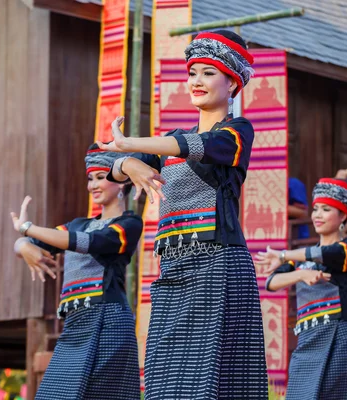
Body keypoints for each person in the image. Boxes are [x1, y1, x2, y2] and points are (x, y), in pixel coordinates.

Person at [100, 30, 268, 398]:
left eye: (209, 73)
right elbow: (103, 166)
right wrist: (129, 163)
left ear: (232, 83)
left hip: (217, 263)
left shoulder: (237, 131)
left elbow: (197, 146)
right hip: (173, 268)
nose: (196, 81)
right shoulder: (169, 142)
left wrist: (128, 147)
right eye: (193, 73)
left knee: (212, 380)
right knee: (163, 380)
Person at [11, 144, 142, 400]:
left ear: (122, 183)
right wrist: (23, 245)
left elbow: (88, 242)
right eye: (90, 179)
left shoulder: (128, 224)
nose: (93, 185)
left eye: (101, 177)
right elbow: (42, 242)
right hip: (75, 322)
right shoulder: (78, 224)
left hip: (109, 320)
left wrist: (27, 229)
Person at [257, 178, 347, 400]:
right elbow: (271, 283)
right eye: (316, 209)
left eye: (326, 210)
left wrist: (283, 255)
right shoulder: (300, 258)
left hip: (340, 338)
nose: (317, 215)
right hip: (308, 339)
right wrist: (300, 274)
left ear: (343, 216)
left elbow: (324, 254)